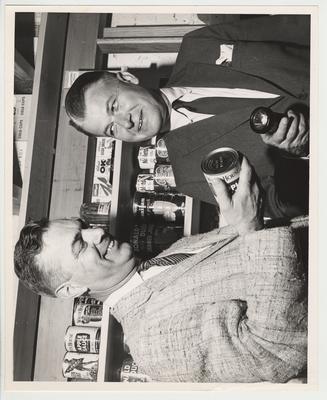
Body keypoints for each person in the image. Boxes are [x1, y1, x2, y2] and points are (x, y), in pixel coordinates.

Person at [14, 157, 308, 382]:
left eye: (84, 227)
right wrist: (252, 230)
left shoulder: (163, 257)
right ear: (72, 289)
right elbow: (272, 352)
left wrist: (237, 223)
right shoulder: (150, 346)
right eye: (81, 245)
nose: (98, 233)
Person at [65, 14, 310, 220]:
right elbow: (281, 206)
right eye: (111, 130)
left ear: (128, 79)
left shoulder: (198, 45)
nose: (124, 123)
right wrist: (294, 156)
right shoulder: (190, 175)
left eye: (114, 105)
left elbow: (297, 27)